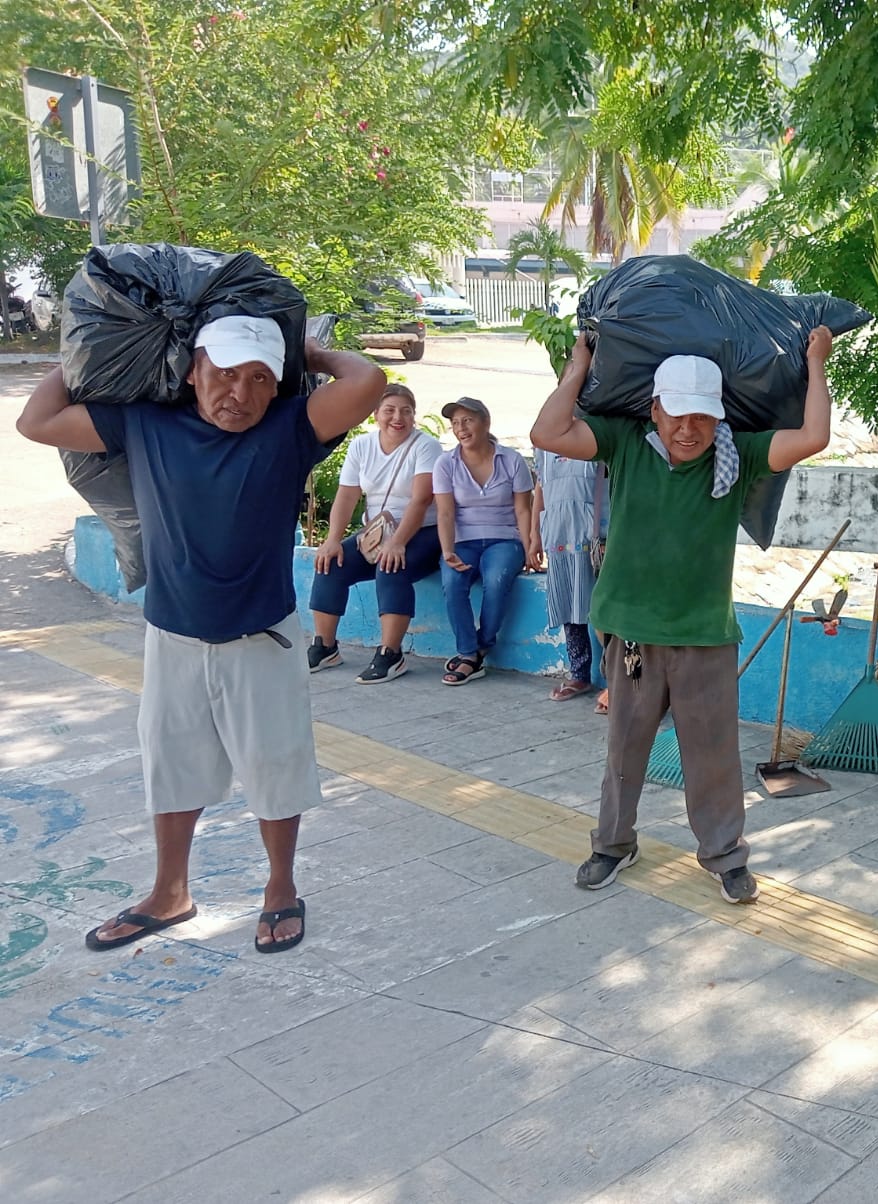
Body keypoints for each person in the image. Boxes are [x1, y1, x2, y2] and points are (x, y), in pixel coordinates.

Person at [16, 314, 386, 954]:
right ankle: (171, 892)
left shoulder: (289, 430)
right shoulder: (147, 423)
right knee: (171, 764)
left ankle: (279, 889)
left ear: (277, 388)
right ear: (193, 371)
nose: (238, 393)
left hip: (260, 637)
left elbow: (369, 379)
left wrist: (310, 353)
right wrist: (100, 351)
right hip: (173, 637)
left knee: (275, 766)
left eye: (258, 379)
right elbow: (36, 421)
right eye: (224, 374)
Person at [529, 327, 835, 904]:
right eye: (677, 415)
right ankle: (613, 844)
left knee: (713, 755)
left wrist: (815, 362)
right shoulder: (623, 442)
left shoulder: (737, 455)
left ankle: (724, 855)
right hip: (635, 635)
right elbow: (546, 432)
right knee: (624, 748)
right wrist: (578, 363)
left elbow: (813, 436)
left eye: (702, 416)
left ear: (719, 418)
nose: (689, 429)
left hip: (704, 634)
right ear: (655, 410)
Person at [308, 383, 443, 682]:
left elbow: (422, 500)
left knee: (390, 564)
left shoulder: (425, 446)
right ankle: (325, 646)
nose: (398, 418)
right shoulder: (361, 446)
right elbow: (346, 495)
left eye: (406, 411)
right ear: (375, 415)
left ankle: (391, 654)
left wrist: (397, 543)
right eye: (390, 410)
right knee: (331, 562)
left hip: (422, 531)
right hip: (377, 532)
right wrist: (332, 540)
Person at [432, 396, 537, 685]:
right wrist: (448, 550)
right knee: (452, 581)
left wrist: (529, 550)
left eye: (468, 420)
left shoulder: (511, 459)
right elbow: (445, 511)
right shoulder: (446, 463)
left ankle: (479, 648)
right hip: (464, 540)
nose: (461, 428)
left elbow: (522, 508)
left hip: (504, 538)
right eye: (455, 423)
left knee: (497, 578)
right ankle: (468, 652)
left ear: (485, 422)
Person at [532, 448, 607, 701]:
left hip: (597, 536)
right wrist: (534, 537)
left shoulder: (594, 440)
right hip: (558, 533)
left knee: (604, 610)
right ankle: (579, 674)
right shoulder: (543, 449)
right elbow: (540, 492)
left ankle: (619, 681)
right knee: (568, 606)